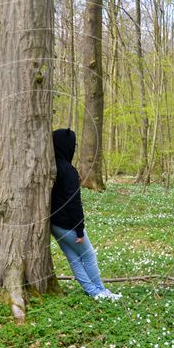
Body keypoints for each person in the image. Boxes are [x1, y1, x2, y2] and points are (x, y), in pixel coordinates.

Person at [50, 128, 122, 300]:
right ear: (67, 146)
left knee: (74, 258)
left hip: (54, 223)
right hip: (68, 224)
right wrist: (80, 230)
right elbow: (73, 203)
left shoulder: (53, 167)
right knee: (88, 255)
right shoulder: (68, 171)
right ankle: (100, 291)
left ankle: (95, 292)